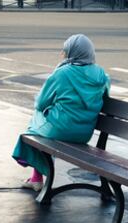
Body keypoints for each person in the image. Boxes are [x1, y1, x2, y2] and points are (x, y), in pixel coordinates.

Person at [12, 34, 111, 191]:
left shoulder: (63, 72)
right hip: (84, 133)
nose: (62, 54)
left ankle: (37, 178)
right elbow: (104, 100)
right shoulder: (102, 75)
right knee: (42, 125)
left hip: (61, 130)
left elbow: (41, 103)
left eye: (64, 50)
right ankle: (35, 178)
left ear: (72, 51)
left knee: (38, 117)